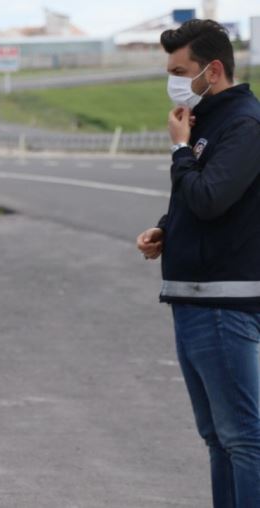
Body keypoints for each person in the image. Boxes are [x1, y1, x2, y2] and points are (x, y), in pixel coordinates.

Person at [135, 19, 260, 507]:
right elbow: (205, 204)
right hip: (194, 299)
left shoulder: (243, 124)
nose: (173, 80)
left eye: (180, 70)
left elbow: (210, 198)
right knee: (218, 436)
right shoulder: (208, 122)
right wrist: (166, 228)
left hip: (221, 302)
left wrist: (178, 149)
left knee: (243, 437)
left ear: (213, 69)